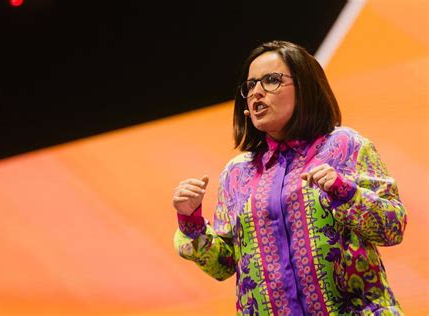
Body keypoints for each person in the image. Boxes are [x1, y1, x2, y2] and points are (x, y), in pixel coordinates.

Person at [172, 40, 407, 315]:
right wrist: (191, 221)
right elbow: (223, 265)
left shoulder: (346, 145)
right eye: (250, 86)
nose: (257, 92)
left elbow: (393, 227)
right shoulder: (237, 173)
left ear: (305, 87)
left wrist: (345, 193)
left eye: (271, 80)